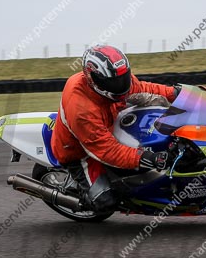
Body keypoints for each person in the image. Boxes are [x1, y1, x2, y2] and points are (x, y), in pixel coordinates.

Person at [50, 45, 179, 211]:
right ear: (93, 79)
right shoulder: (81, 109)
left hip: (108, 126)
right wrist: (147, 157)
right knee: (105, 202)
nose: (121, 86)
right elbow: (107, 150)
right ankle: (84, 196)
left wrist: (174, 93)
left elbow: (142, 89)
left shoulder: (116, 79)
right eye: (114, 82)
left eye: (123, 78)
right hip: (79, 152)